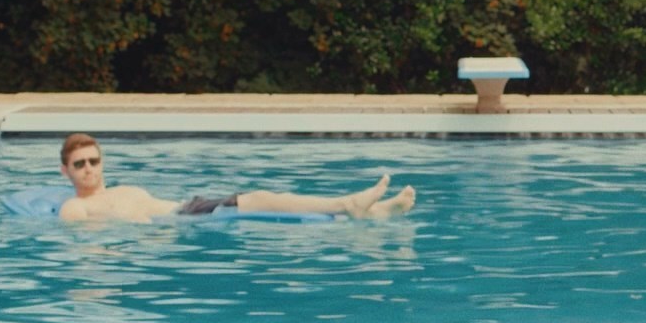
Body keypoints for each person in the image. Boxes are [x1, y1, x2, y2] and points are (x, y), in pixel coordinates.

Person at [55, 133, 416, 223]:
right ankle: (348, 204)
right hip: (184, 221)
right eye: (79, 164)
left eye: (93, 161)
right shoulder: (74, 206)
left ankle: (374, 211)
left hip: (188, 209)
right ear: (65, 171)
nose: (88, 168)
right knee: (260, 197)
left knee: (262, 198)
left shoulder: (122, 189)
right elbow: (86, 239)